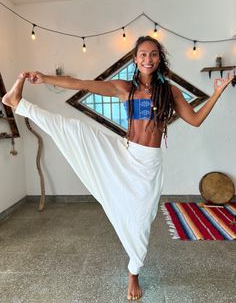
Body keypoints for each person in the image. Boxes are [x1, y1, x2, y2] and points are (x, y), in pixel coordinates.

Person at [3, 36, 234, 301]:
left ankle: (133, 269)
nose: (148, 59)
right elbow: (80, 84)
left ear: (160, 59)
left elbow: (194, 120)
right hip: (125, 154)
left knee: (141, 220)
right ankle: (18, 103)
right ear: (135, 59)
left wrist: (217, 92)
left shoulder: (170, 92)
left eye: (154, 54)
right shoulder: (126, 88)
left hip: (149, 164)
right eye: (143, 54)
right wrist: (45, 77)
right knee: (75, 130)